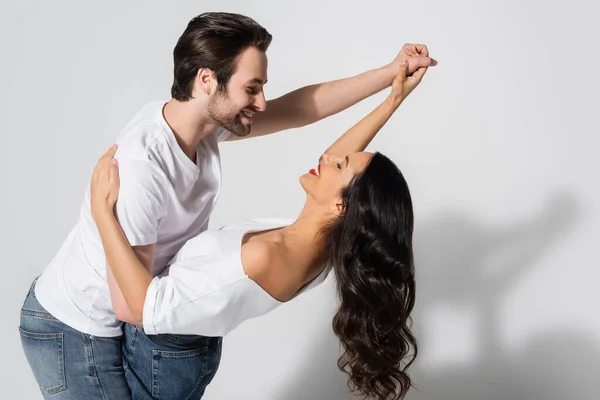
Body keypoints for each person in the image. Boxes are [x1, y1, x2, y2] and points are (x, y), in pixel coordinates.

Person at [18, 10, 436, 400]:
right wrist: (391, 87)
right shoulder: (147, 167)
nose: (262, 102)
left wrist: (101, 211)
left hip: (129, 321)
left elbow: (302, 115)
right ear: (206, 81)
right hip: (80, 326)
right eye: (252, 88)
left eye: (260, 88)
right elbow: (134, 307)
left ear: (344, 209)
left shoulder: (213, 136)